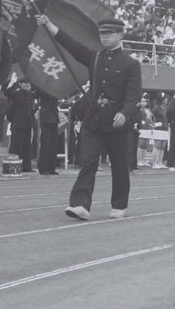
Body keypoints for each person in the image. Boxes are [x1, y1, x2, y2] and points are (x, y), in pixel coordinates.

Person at [37, 14, 142, 220]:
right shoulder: (94, 57)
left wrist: (124, 113)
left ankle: (119, 204)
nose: (104, 37)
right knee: (88, 160)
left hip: (117, 119)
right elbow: (71, 45)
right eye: (102, 34)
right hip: (94, 117)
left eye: (109, 33)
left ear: (120, 35)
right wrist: (49, 25)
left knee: (119, 164)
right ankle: (80, 204)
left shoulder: (131, 64)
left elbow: (133, 94)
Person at [6, 75, 37, 173]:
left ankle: (26, 167)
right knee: (17, 147)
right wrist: (11, 83)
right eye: (25, 83)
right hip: (18, 124)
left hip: (28, 124)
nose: (27, 85)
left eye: (28, 83)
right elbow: (7, 93)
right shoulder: (16, 93)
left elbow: (38, 94)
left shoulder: (30, 94)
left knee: (27, 147)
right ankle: (15, 166)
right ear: (20, 84)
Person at [36, 88, 60, 175]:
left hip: (54, 117)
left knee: (54, 145)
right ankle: (43, 167)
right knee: (46, 144)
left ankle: (52, 167)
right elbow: (44, 94)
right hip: (46, 117)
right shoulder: (44, 88)